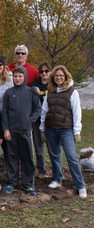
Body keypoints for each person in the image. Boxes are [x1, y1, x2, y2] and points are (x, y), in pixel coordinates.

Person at [40, 65, 87, 198]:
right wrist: (42, 129)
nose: (59, 77)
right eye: (56, 76)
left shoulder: (72, 92)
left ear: (65, 77)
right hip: (50, 129)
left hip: (66, 130)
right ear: (53, 78)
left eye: (61, 75)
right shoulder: (50, 91)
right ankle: (57, 179)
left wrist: (77, 131)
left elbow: (77, 112)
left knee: (71, 157)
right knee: (54, 155)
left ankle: (80, 185)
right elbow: (44, 111)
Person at [2, 66, 41, 196]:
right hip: (12, 131)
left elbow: (37, 109)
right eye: (15, 76)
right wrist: (6, 129)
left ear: (24, 77)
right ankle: (12, 182)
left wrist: (30, 120)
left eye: (20, 76)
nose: (18, 79)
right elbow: (5, 113)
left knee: (27, 158)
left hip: (26, 131)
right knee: (12, 157)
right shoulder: (8, 93)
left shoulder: (31, 92)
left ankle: (28, 184)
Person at [29, 62, 52, 178]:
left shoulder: (54, 84)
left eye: (46, 71)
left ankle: (57, 171)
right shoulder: (34, 84)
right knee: (38, 147)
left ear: (50, 72)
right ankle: (42, 170)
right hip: (37, 120)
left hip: (51, 120)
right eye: (41, 71)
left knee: (53, 147)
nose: (44, 73)